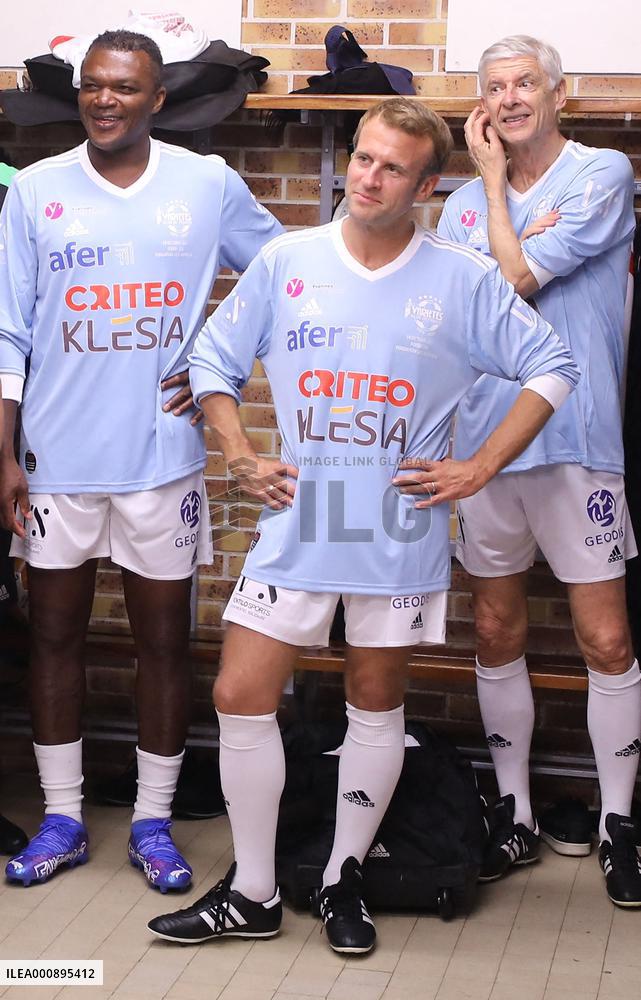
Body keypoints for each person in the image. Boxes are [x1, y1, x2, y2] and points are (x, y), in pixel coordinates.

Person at [147, 97, 579, 953]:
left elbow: (551, 365)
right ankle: (257, 891)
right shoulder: (287, 259)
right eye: (362, 158)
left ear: (426, 184)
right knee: (240, 693)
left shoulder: (459, 277)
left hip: (396, 514)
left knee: (373, 703)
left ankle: (344, 876)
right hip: (304, 509)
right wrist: (235, 451)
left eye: (390, 168)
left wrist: (479, 466)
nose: (367, 178)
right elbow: (210, 361)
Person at [0, 30, 283, 891]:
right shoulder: (38, 192)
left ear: (158, 99)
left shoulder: (204, 183)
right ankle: (62, 817)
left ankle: (153, 822)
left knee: (163, 642)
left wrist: (212, 365)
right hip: (53, 459)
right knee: (53, 637)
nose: (105, 100)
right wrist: (5, 452)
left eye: (124, 87)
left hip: (162, 460)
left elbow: (283, 275)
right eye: (92, 87)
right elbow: (7, 328)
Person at [437, 35, 640, 907]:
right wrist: (487, 203)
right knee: (494, 630)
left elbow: (511, 283)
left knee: (605, 640)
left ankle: (618, 822)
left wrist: (490, 189)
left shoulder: (602, 173)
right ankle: (514, 808)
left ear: (559, 94)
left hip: (577, 437)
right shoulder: (449, 210)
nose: (510, 99)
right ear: (479, 103)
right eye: (494, 87)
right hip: (483, 445)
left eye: (525, 84)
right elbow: (463, 314)